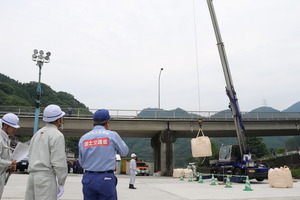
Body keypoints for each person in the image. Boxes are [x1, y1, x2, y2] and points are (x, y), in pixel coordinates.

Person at [78, 109, 129, 200]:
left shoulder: (84, 138)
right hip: (106, 178)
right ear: (108, 122)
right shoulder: (112, 135)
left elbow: (81, 161)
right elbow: (124, 152)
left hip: (88, 177)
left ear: (93, 122)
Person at [25, 104, 68, 200]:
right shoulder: (57, 135)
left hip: (32, 176)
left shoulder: (37, 134)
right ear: (59, 120)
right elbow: (59, 162)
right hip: (45, 178)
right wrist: (61, 182)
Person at [0, 113, 20, 198]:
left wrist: (11, 165)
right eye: (13, 127)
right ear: (5, 125)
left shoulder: (5, 138)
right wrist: (10, 163)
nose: (15, 130)